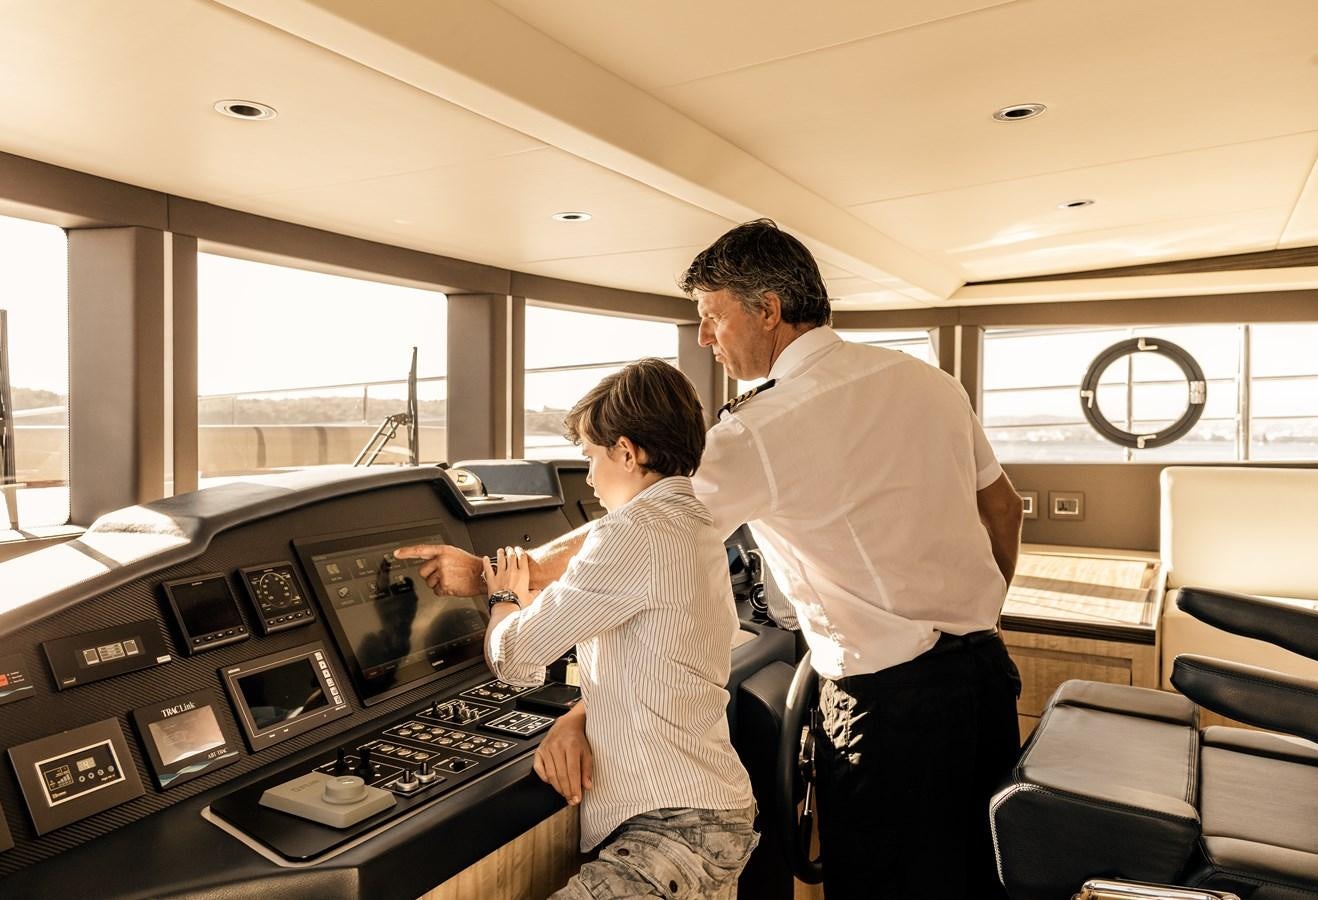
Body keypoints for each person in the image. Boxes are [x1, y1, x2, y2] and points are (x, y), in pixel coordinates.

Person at [406, 220, 1025, 899]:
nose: (705, 337)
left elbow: (647, 524)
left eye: (711, 317)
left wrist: (498, 574)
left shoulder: (761, 428)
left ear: (767, 310)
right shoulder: (928, 383)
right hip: (985, 678)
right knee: (979, 878)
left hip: (893, 704)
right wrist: (971, 622)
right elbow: (1004, 510)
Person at [412, 358, 757, 900]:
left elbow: (517, 658)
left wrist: (504, 592)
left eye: (592, 457)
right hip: (708, 817)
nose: (590, 476)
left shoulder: (629, 533)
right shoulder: (696, 524)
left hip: (670, 831)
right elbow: (659, 659)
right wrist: (581, 715)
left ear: (627, 451)